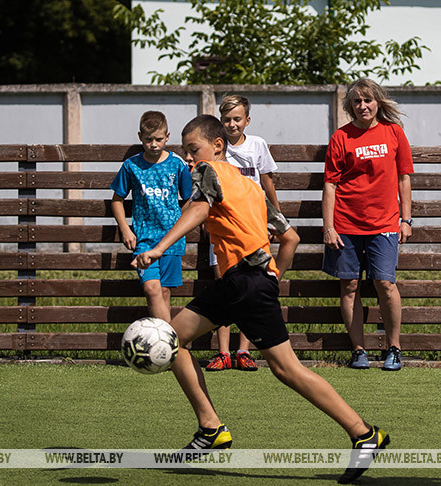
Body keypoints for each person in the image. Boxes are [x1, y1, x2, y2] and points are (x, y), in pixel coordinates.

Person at [132, 114, 389, 484]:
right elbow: (291, 238)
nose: (188, 159)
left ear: (217, 147)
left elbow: (200, 210)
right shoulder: (250, 187)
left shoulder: (209, 172)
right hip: (243, 282)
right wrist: (272, 275)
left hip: (246, 285)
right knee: (173, 341)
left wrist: (158, 248)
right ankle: (210, 427)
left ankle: (364, 434)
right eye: (185, 153)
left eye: (193, 150)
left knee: (287, 369)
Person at [322, 78, 413, 371]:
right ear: (350, 106)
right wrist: (329, 227)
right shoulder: (341, 137)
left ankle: (394, 348)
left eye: (368, 100)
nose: (363, 106)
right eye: (357, 101)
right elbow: (330, 185)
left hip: (385, 223)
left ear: (378, 102)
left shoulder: (394, 133)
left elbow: (404, 178)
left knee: (385, 284)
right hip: (346, 224)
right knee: (349, 286)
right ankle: (358, 350)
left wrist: (406, 219)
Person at [205, 94, 282, 373]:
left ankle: (244, 350)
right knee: (224, 287)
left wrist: (275, 220)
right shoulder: (214, 147)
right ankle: (223, 352)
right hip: (223, 230)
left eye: (237, 119)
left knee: (250, 288)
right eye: (226, 119)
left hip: (253, 229)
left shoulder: (257, 145)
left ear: (247, 120)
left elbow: (267, 183)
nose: (232, 124)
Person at [111, 110, 192, 322]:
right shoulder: (131, 166)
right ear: (140, 137)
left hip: (171, 240)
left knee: (164, 292)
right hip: (145, 239)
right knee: (151, 289)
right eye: (148, 139)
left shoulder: (178, 164)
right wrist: (125, 229)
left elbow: (189, 199)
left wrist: (180, 224)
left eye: (158, 139)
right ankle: (169, 340)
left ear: (167, 136)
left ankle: (166, 349)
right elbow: (117, 200)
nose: (154, 144)